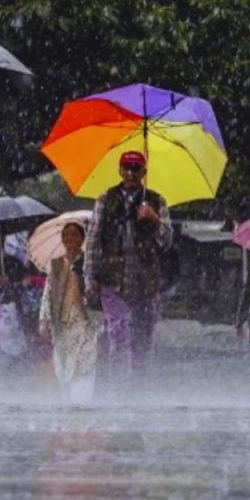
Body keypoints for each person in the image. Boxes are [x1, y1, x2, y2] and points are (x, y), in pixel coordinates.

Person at [84, 151, 172, 389]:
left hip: (146, 281)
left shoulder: (157, 200)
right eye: (126, 167)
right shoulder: (105, 199)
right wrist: (90, 276)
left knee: (143, 339)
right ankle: (120, 388)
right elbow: (93, 239)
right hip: (113, 279)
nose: (130, 173)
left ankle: (139, 388)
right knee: (118, 334)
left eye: (135, 168)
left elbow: (166, 242)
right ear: (120, 170)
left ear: (144, 172)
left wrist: (153, 219)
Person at [39, 223, 100, 402]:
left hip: (84, 322)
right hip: (62, 323)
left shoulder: (88, 264)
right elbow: (47, 294)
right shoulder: (56, 265)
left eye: (74, 235)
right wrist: (43, 320)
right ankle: (68, 401)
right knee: (63, 365)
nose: (70, 239)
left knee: (85, 362)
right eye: (66, 235)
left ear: (82, 239)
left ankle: (82, 400)